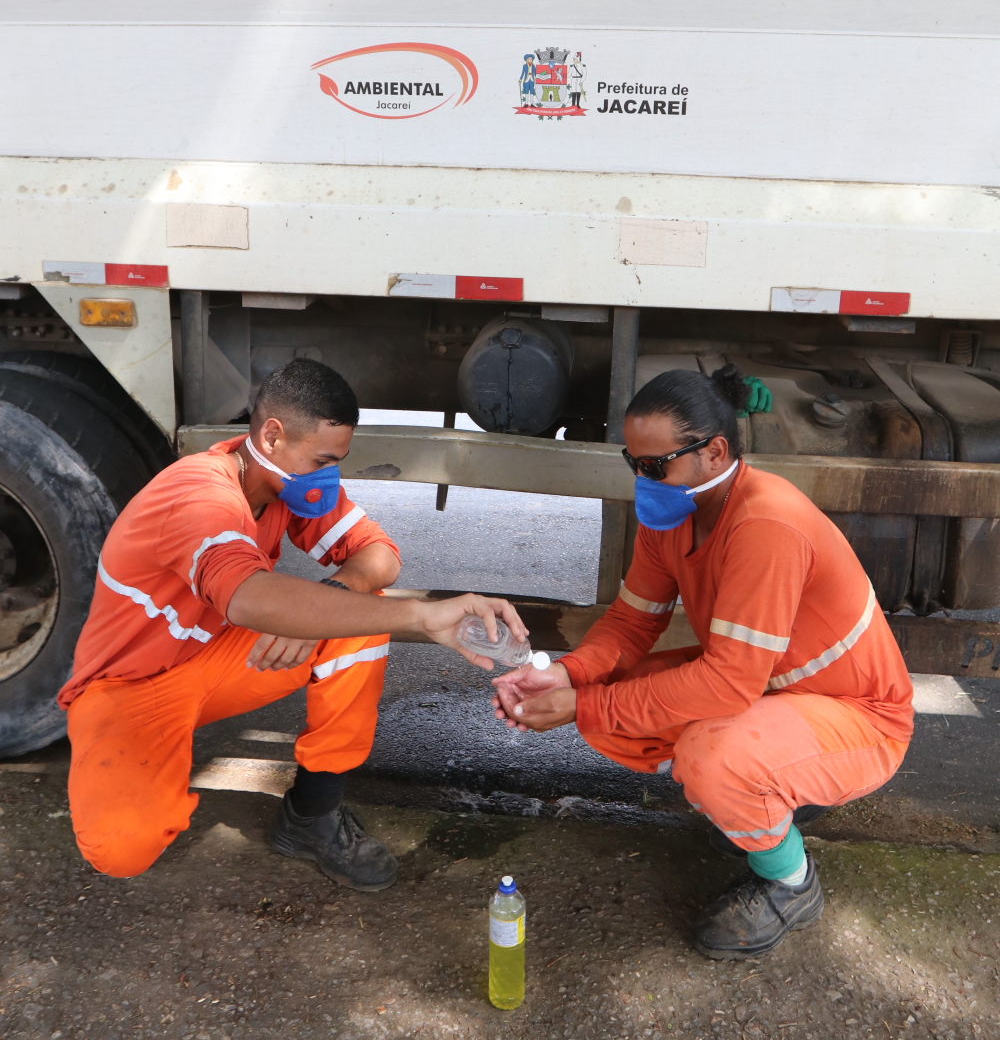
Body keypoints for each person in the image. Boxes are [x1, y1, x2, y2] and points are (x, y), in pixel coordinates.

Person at [492, 365, 913, 959]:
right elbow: (632, 621)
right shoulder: (674, 516)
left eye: (655, 465)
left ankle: (791, 882)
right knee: (614, 700)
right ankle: (763, 796)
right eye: (634, 463)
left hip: (861, 718)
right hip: (770, 692)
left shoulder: (766, 523)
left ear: (714, 452)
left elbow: (729, 683)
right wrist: (566, 675)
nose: (643, 479)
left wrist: (585, 703)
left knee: (711, 757)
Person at [60, 358, 525, 889]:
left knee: (357, 619)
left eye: (337, 461)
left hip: (215, 662)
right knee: (122, 851)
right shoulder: (198, 495)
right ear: (272, 436)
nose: (329, 475)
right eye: (323, 460)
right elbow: (246, 597)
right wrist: (422, 616)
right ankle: (135, 764)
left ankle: (311, 815)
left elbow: (380, 554)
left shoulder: (286, 483)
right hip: (128, 687)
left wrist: (331, 598)